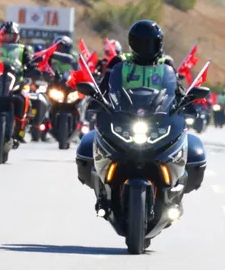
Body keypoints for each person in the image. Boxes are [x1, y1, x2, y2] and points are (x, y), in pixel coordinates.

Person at [76, 20, 207, 208]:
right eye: (141, 43)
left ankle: (171, 192)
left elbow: (176, 91)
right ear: (132, 43)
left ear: (159, 44)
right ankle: (105, 192)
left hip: (157, 121)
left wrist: (187, 102)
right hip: (124, 118)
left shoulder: (166, 64)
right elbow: (105, 87)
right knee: (91, 142)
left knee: (188, 146)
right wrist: (96, 99)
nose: (146, 48)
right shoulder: (119, 62)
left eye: (150, 43)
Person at [0, 21, 38, 143]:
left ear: (17, 36)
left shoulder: (24, 49)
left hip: (15, 82)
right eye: (5, 35)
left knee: (25, 99)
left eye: (12, 35)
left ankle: (22, 127)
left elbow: (30, 61)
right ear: (0, 35)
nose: (8, 38)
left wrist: (32, 67)